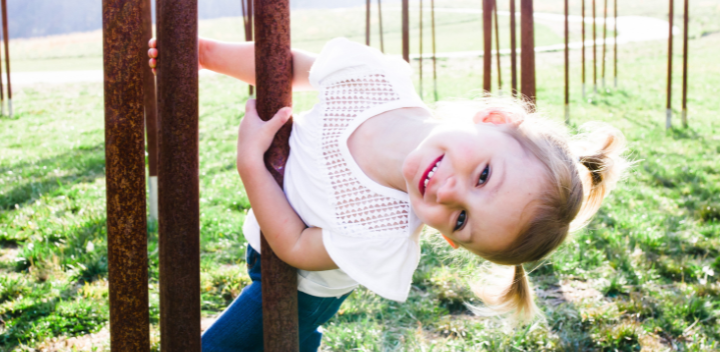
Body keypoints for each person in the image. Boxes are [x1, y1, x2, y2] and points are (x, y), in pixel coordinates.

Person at [148, 37, 628, 351]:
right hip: (263, 246)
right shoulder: (377, 82)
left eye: (460, 219)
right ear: (494, 121)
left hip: (293, 291)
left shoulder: (383, 234)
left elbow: (294, 246)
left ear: (450, 240)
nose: (447, 192)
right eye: (482, 175)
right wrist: (204, 54)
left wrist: (250, 161)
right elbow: (286, 66)